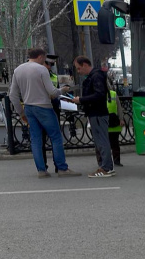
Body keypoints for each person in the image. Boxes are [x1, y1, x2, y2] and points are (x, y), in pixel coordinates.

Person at [8, 48, 79, 178]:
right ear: (41, 57)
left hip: (29, 107)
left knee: (35, 140)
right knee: (55, 137)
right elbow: (52, 92)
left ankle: (41, 170)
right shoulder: (41, 69)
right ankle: (62, 168)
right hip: (44, 107)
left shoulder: (18, 70)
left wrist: (21, 112)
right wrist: (63, 89)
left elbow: (12, 95)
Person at [74, 56, 115, 177]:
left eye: (79, 68)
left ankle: (106, 168)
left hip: (98, 113)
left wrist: (81, 100)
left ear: (85, 65)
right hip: (96, 113)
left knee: (102, 141)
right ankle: (105, 166)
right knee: (100, 141)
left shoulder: (96, 76)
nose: (78, 71)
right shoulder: (96, 75)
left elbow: (99, 94)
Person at [104, 83, 123, 168]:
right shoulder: (97, 95)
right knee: (108, 144)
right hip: (106, 122)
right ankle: (108, 162)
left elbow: (119, 107)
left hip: (113, 122)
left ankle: (116, 160)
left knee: (114, 144)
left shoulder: (113, 94)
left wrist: (121, 119)